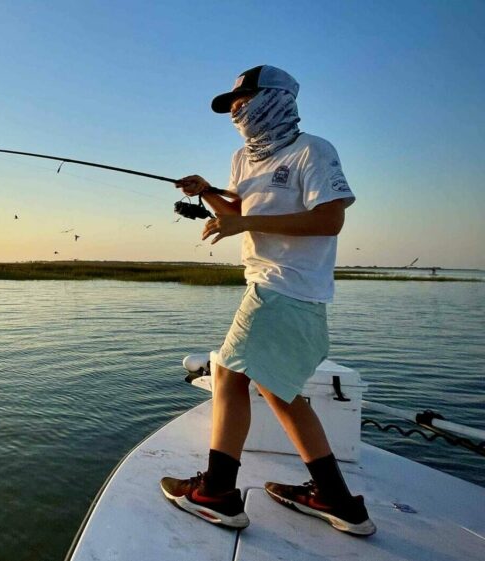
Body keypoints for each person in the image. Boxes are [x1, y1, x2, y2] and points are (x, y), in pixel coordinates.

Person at [158, 65, 376, 536]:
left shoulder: (312, 151)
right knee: (283, 394)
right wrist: (210, 193)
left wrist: (244, 224)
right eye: (232, 106)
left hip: (289, 288)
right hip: (269, 288)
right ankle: (337, 500)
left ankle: (216, 493)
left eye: (244, 100)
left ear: (276, 98)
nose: (236, 110)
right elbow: (242, 214)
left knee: (229, 377)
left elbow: (330, 219)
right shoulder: (242, 158)